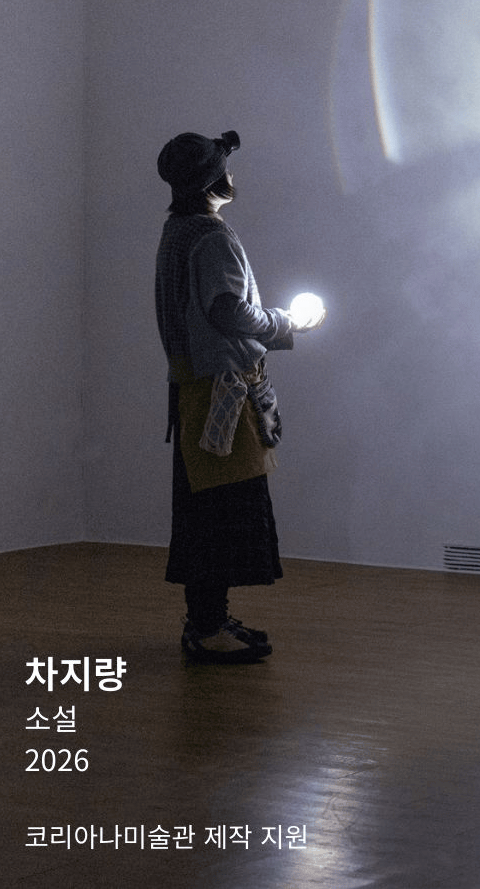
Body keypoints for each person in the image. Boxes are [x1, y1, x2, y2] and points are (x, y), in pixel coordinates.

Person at [155, 129, 324, 663]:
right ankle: (207, 630)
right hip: (221, 397)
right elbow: (227, 309)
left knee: (204, 510)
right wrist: (282, 322)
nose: (232, 174)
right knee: (221, 515)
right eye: (224, 166)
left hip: (194, 390)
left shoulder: (177, 231)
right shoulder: (212, 237)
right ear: (213, 180)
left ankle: (208, 620)